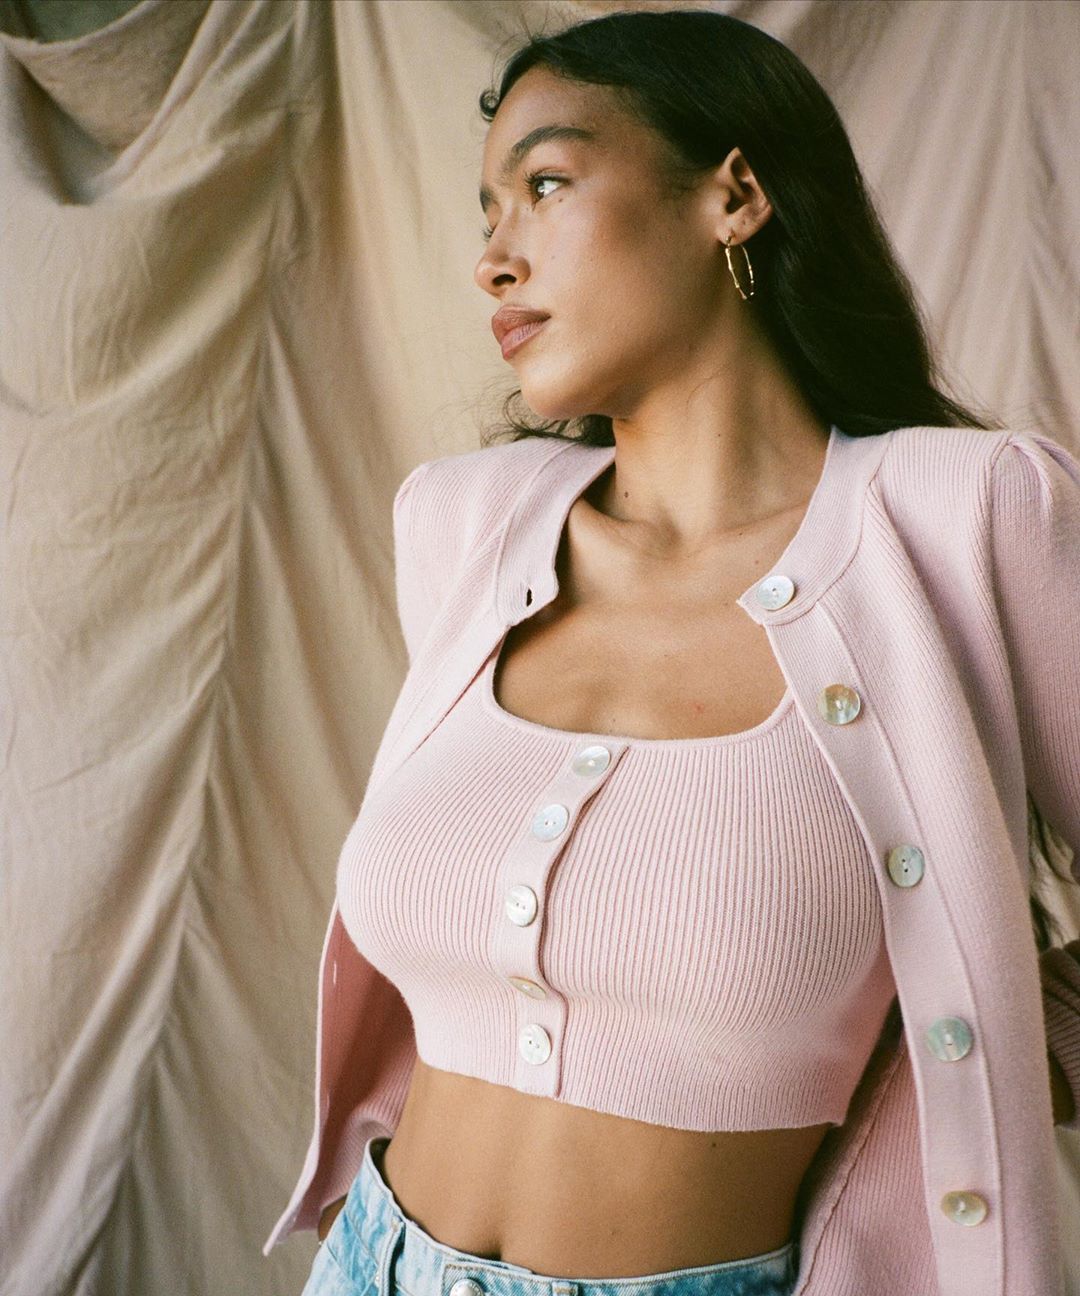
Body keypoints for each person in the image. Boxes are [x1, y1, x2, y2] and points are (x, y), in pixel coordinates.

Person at [272, 10, 1080, 1295]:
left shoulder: (965, 520)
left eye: (545, 184)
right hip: (372, 1260)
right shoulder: (465, 525)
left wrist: (982, 1050)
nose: (493, 259)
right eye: (488, 213)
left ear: (734, 196)